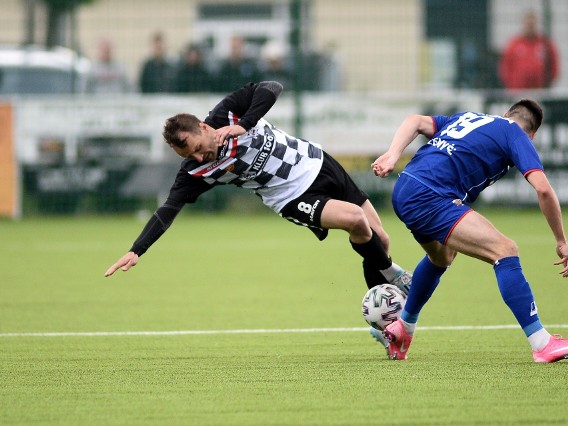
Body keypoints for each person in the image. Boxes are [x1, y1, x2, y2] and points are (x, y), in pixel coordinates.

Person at [104, 81, 412, 347]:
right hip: (292, 196)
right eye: (189, 156)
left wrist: (244, 123)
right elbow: (167, 210)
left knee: (380, 239)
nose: (199, 156)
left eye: (197, 147)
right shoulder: (196, 171)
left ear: (202, 127)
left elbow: (271, 88)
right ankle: (396, 275)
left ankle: (382, 324)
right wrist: (137, 249)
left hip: (318, 163)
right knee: (355, 222)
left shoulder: (226, 113)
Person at [371, 99, 568, 362]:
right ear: (532, 135)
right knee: (505, 250)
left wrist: (393, 155)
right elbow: (543, 189)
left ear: (506, 112)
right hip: (431, 195)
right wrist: (561, 240)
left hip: (406, 186)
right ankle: (542, 343)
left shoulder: (468, 117)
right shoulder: (515, 134)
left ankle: (403, 328)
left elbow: (415, 121)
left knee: (442, 257)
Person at [499, 11, 559, 90]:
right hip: (518, 91)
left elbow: (554, 65)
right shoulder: (514, 44)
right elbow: (505, 67)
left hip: (540, 90)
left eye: (532, 25)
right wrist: (511, 86)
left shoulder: (545, 44)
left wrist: (548, 83)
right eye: (528, 24)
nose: (530, 27)